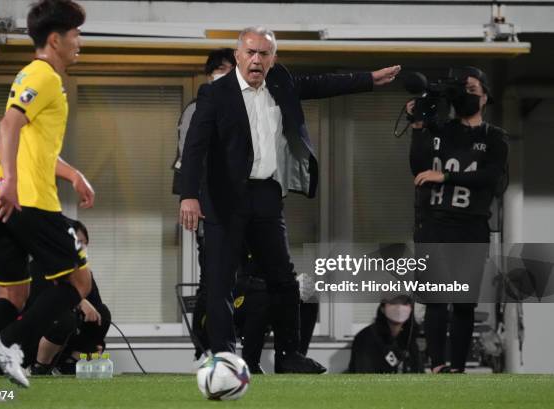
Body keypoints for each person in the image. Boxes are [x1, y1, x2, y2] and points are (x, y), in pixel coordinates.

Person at [179, 25, 401, 373]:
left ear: (273, 58)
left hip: (266, 193)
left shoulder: (280, 83)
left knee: (283, 278)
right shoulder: (215, 94)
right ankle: (224, 358)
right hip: (224, 198)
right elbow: (194, 148)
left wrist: (368, 79)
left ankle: (288, 355)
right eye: (250, 52)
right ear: (238, 56)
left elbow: (322, 84)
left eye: (263, 54)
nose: (256, 60)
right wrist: (189, 195)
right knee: (221, 280)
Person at [0, 0, 94, 392]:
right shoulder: (46, 76)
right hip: (29, 200)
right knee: (80, 283)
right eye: (75, 34)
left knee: (11, 296)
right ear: (55, 39)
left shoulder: (30, 75)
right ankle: (9, 346)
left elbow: (31, 143)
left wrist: (73, 174)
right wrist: (15, 183)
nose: (79, 42)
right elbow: (8, 124)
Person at [407, 66, 508, 373]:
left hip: (471, 225)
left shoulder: (495, 138)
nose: (468, 96)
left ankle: (459, 368)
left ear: (486, 98)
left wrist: (446, 176)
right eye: (463, 90)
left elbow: (490, 177)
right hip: (434, 223)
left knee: (464, 303)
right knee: (436, 300)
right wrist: (419, 125)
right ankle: (437, 365)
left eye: (474, 91)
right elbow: (417, 166)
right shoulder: (440, 130)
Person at [172, 48, 236, 361]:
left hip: (236, 205)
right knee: (212, 276)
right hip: (207, 204)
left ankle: (230, 346)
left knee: (236, 277)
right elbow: (190, 159)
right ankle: (205, 346)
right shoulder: (199, 108)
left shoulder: (241, 106)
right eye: (223, 70)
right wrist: (191, 199)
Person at [27, 220, 111, 375]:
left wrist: (95, 343)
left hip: (70, 337)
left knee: (103, 313)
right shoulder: (38, 268)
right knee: (64, 318)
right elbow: (42, 305)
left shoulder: (84, 273)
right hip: (37, 336)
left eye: (85, 244)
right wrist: (78, 301)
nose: (82, 248)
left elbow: (96, 307)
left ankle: (71, 362)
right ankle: (39, 367)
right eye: (78, 242)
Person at [347, 295, 423, 373]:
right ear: (383, 308)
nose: (399, 308)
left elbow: (419, 373)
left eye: (404, 303)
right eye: (394, 303)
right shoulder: (366, 338)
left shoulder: (409, 339)